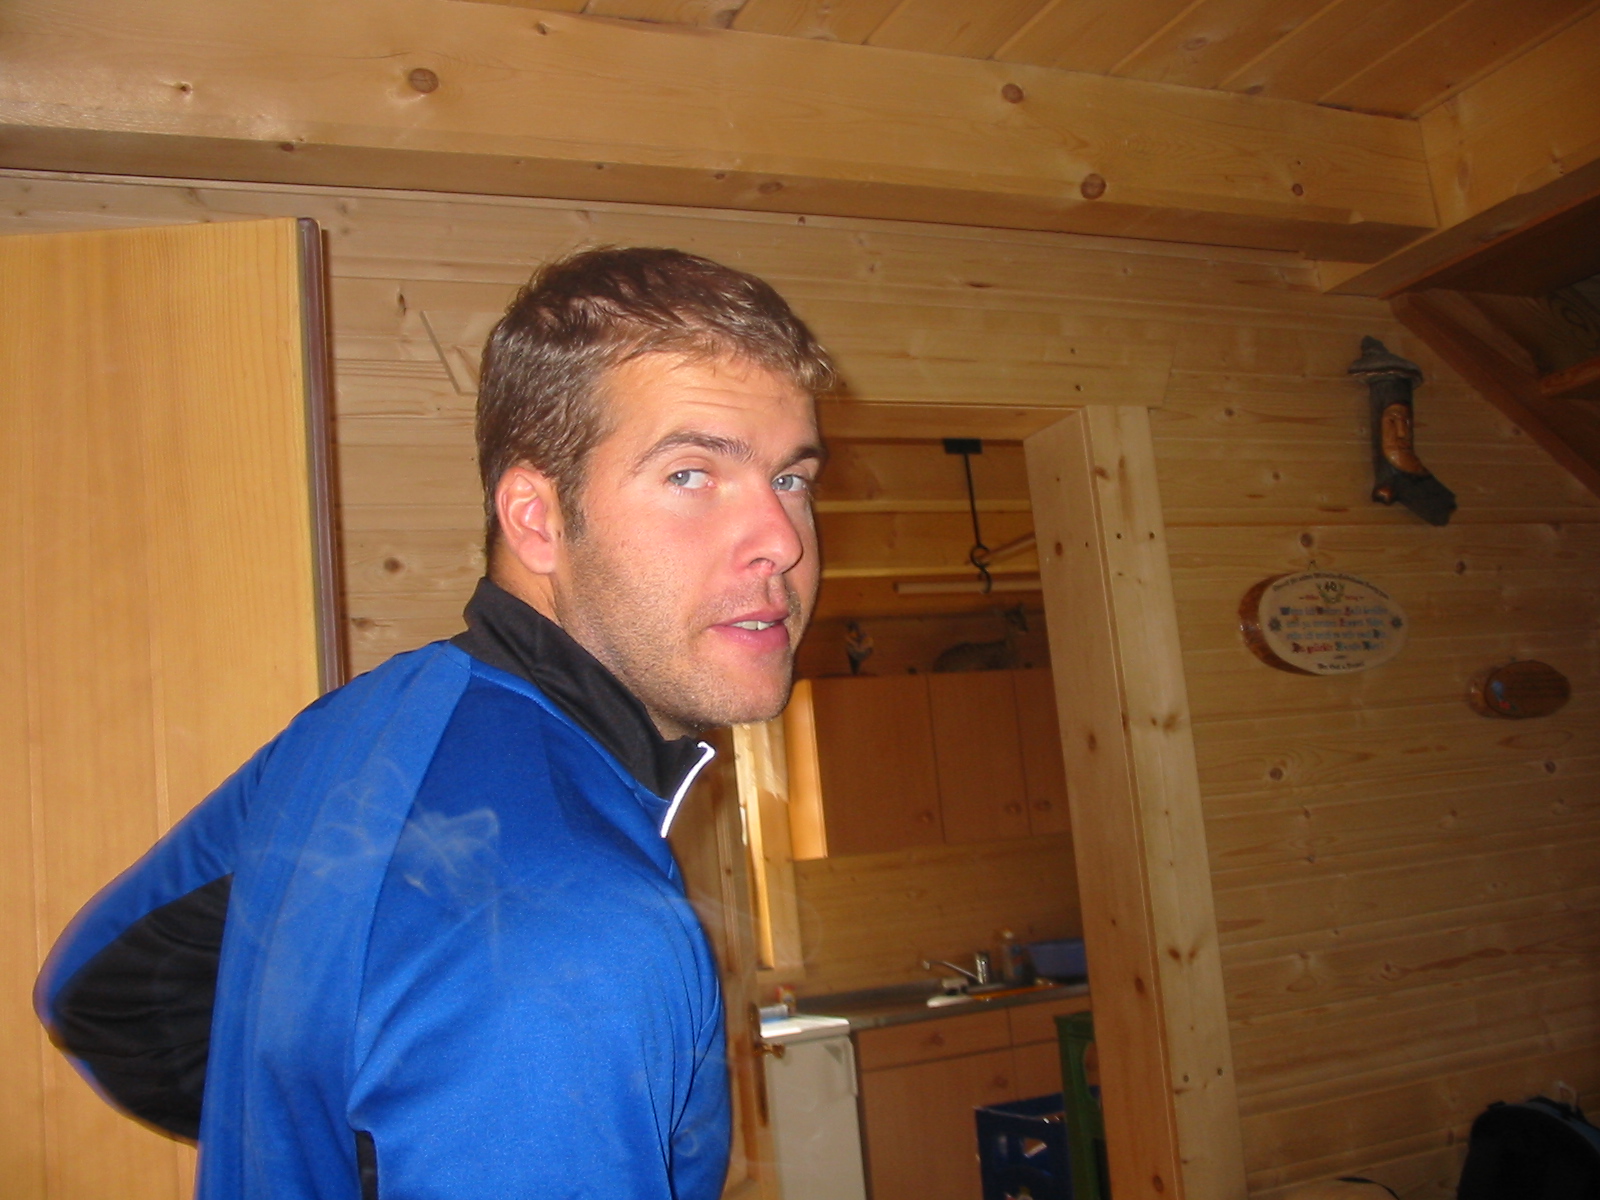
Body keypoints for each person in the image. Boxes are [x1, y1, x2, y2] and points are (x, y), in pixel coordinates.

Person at [34, 246, 834, 1200]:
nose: (781, 541)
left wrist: (336, 1134)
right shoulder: (579, 936)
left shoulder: (365, 727)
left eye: (792, 480)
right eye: (692, 474)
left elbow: (99, 989)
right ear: (536, 520)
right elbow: (109, 999)